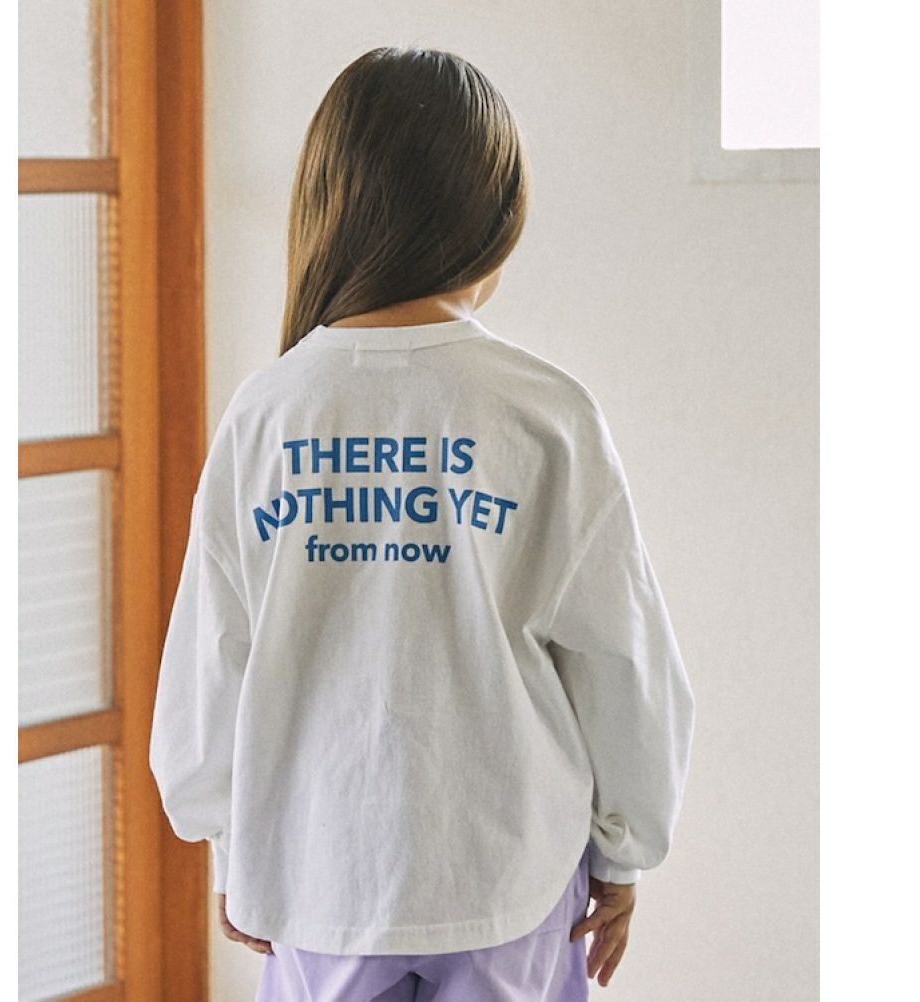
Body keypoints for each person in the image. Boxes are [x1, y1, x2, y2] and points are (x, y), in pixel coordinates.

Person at [148, 45, 696, 1001]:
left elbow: (213, 657)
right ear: (494, 217)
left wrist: (234, 842)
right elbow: (622, 656)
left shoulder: (268, 413)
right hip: (508, 879)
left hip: (319, 879)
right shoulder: (544, 413)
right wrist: (624, 848)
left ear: (331, 204)